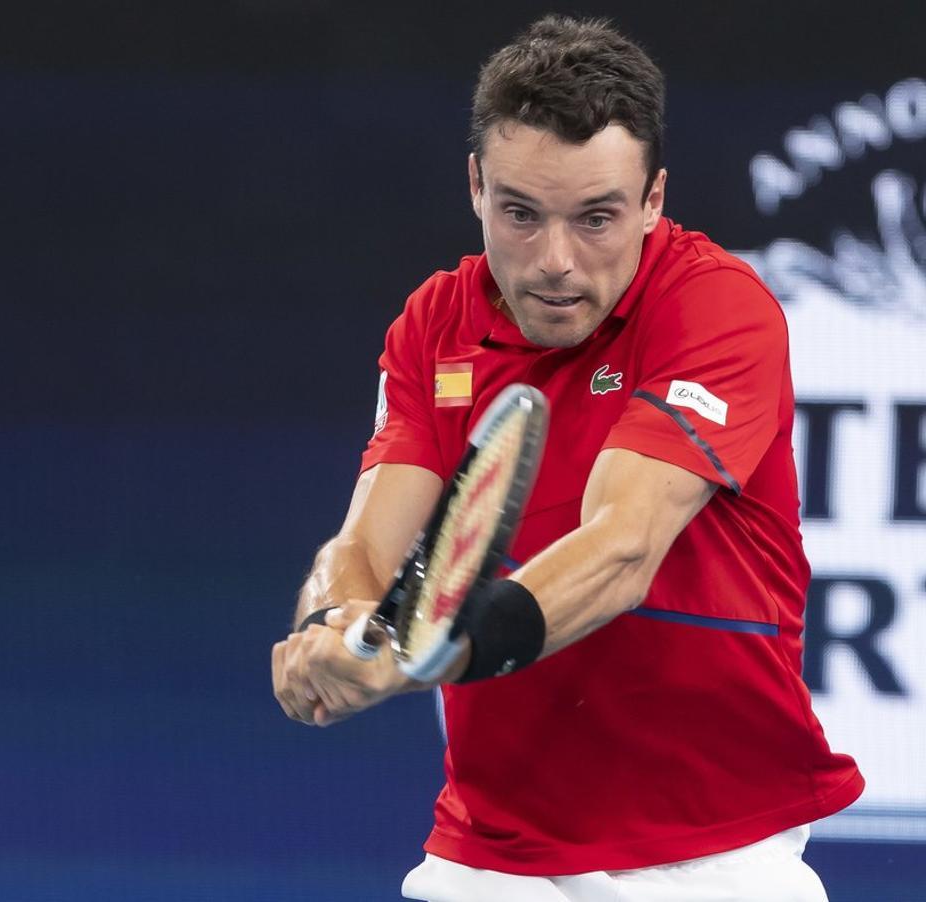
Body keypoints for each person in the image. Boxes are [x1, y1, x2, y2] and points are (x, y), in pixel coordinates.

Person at [270, 14, 864, 902]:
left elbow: (622, 547)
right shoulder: (436, 324)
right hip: (490, 855)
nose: (554, 262)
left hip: (714, 856)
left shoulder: (717, 309)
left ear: (654, 199)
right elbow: (366, 544)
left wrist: (435, 650)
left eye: (596, 219)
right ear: (475, 186)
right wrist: (333, 629)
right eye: (520, 213)